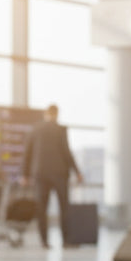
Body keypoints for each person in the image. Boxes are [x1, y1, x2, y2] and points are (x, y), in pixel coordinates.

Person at [20, 104, 83, 249]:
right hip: (59, 173)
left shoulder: (35, 129)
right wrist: (77, 171)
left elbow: (27, 153)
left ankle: (44, 241)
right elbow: (67, 152)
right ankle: (66, 241)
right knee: (64, 207)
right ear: (57, 114)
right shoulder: (60, 129)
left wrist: (25, 174)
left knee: (41, 208)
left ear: (45, 114)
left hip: (40, 173)